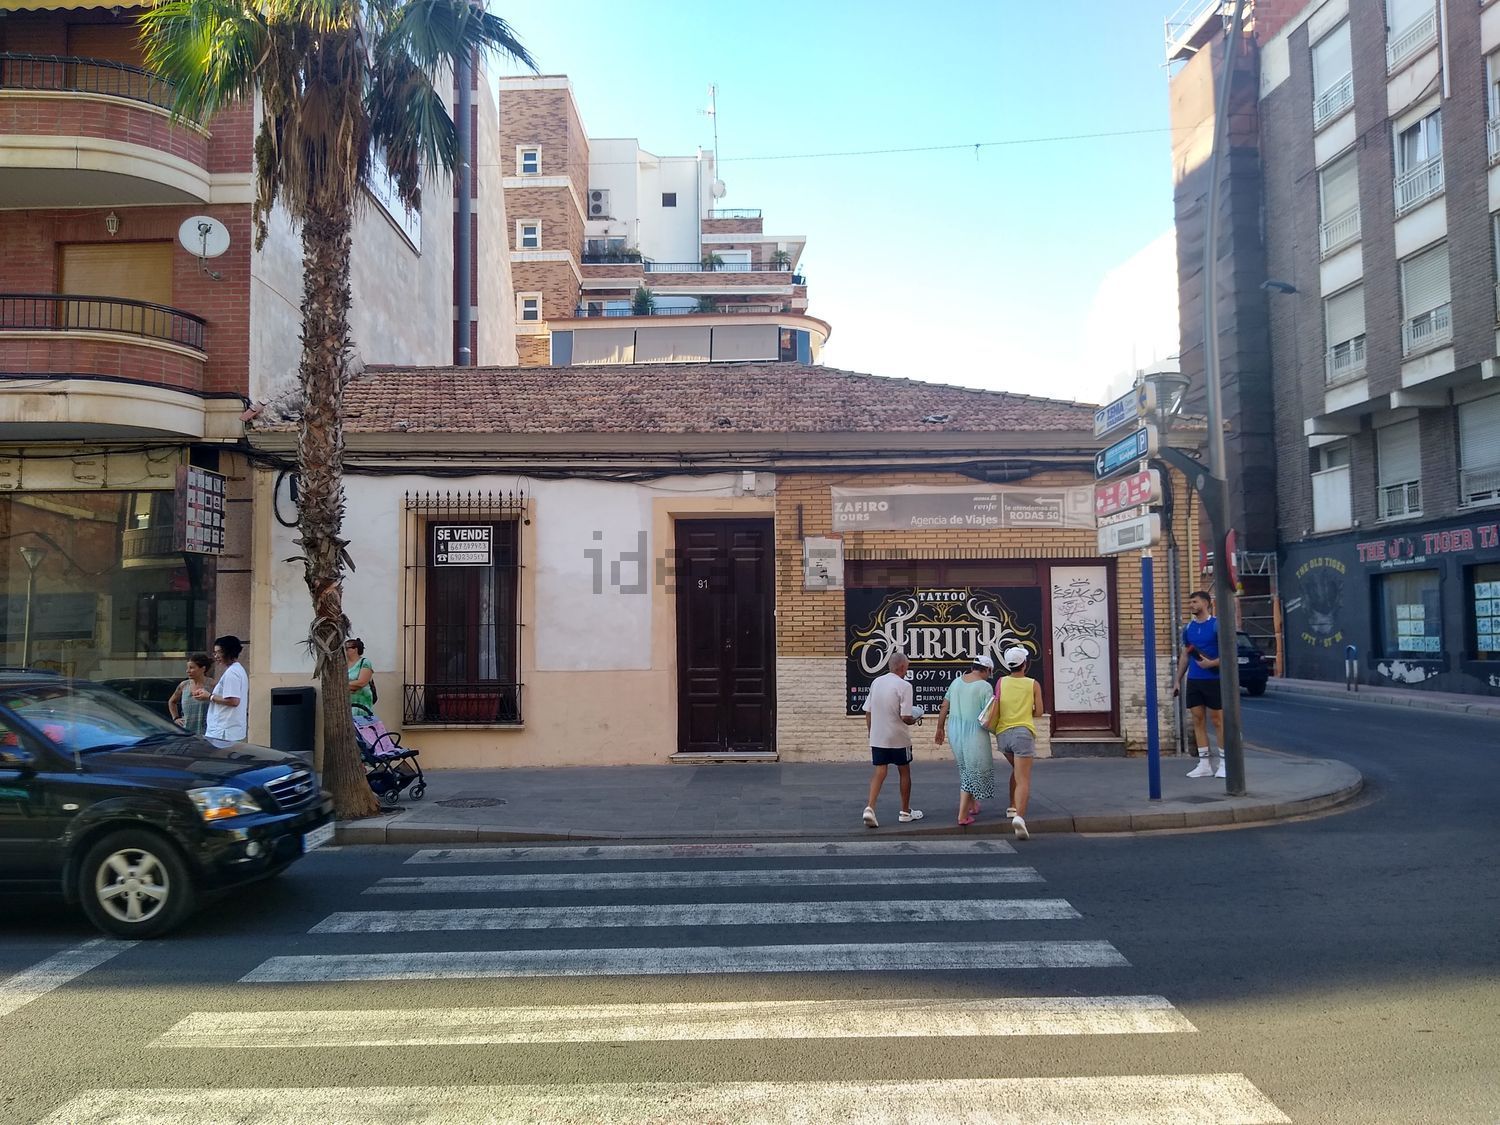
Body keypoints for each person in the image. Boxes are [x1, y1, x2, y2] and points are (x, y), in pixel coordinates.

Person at [860, 650, 924, 828]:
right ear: (902, 667)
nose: (907, 671)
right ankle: (905, 811)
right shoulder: (905, 686)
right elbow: (906, 717)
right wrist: (917, 717)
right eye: (907, 667)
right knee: (904, 771)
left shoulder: (876, 682)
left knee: (880, 771)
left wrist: (871, 731)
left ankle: (870, 807)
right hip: (898, 737)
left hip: (878, 735)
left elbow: (868, 711)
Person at [935, 653, 996, 825]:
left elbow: (944, 705)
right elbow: (988, 715)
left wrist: (940, 728)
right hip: (974, 731)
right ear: (987, 670)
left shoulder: (956, 682)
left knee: (965, 766)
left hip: (955, 730)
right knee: (973, 769)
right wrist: (997, 731)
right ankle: (962, 815)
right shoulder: (985, 687)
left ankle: (972, 804)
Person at [1173, 589, 1225, 779]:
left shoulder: (1217, 625)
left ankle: (1224, 764)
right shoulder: (1188, 628)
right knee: (1197, 719)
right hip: (1195, 680)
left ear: (1206, 603)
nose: (1191, 605)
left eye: (1194, 602)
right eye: (1190, 602)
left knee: (1218, 720)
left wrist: (1211, 663)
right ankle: (1204, 765)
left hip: (1215, 680)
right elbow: (1185, 655)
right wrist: (1177, 680)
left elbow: (1229, 654)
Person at [994, 645, 1043, 841]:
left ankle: (1012, 807)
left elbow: (997, 705)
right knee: (1023, 779)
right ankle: (1019, 818)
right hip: (1023, 733)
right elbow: (1039, 712)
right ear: (1025, 664)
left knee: (1017, 770)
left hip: (1003, 735)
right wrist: (1026, 710)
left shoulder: (1001, 682)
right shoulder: (1033, 684)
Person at [197, 634, 248, 743]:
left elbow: (233, 701)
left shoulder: (232, 673)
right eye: (214, 653)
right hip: (228, 730)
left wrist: (209, 696)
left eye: (219, 652)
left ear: (228, 652)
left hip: (223, 731)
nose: (216, 656)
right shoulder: (237, 670)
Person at [168, 652, 215, 736]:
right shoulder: (184, 685)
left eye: (191, 668)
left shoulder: (213, 685)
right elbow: (172, 702)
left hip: (207, 733)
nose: (188, 671)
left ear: (203, 669)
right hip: (187, 732)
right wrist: (176, 718)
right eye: (187, 668)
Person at [346, 637, 376, 725]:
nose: (344, 651)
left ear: (355, 649)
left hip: (361, 703)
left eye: (346, 648)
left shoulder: (364, 662)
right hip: (347, 703)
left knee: (360, 727)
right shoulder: (343, 664)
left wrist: (343, 686)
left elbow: (362, 682)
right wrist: (351, 686)